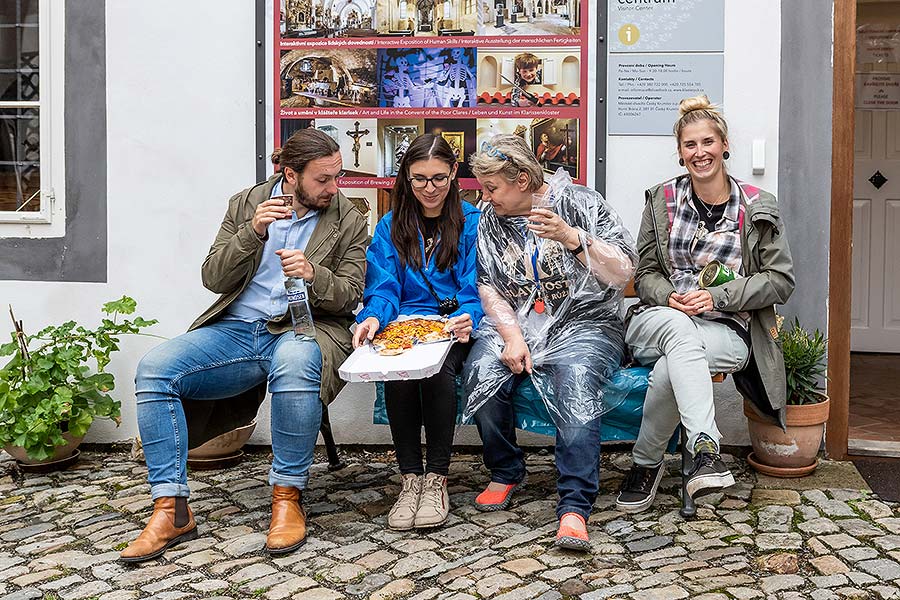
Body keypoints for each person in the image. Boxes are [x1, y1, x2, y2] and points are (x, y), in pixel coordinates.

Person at [120, 129, 368, 562]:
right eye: (323, 179)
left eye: (337, 176)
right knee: (155, 368)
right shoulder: (245, 203)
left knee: (296, 363)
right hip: (236, 330)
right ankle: (171, 508)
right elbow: (213, 278)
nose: (334, 188)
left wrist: (314, 274)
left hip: (303, 329)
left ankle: (287, 498)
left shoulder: (348, 216)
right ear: (290, 175)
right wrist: (252, 233)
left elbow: (349, 294)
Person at [616, 95, 794, 514]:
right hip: (657, 320)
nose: (700, 153)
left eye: (708, 142)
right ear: (680, 153)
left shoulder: (756, 206)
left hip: (726, 331)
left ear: (725, 144)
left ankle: (645, 464)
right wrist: (669, 296)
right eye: (691, 145)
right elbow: (645, 275)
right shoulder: (662, 201)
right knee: (678, 334)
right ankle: (704, 450)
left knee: (671, 367)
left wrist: (717, 296)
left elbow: (780, 280)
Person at [464, 134, 636, 550]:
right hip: (520, 323)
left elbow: (623, 272)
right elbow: (488, 284)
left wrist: (572, 238)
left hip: (586, 323)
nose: (485, 198)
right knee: (481, 372)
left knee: (575, 381)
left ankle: (575, 504)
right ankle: (506, 470)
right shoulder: (492, 217)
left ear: (521, 179)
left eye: (492, 188)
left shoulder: (580, 204)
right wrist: (511, 336)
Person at [353, 134, 482, 531]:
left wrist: (467, 316)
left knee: (439, 372)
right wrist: (374, 316)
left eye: (439, 179)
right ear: (406, 178)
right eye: (420, 179)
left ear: (454, 173)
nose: (430, 189)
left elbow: (476, 285)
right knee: (401, 373)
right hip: (403, 323)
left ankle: (437, 477)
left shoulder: (472, 222)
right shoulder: (391, 225)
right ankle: (410, 477)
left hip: (452, 325)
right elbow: (383, 285)